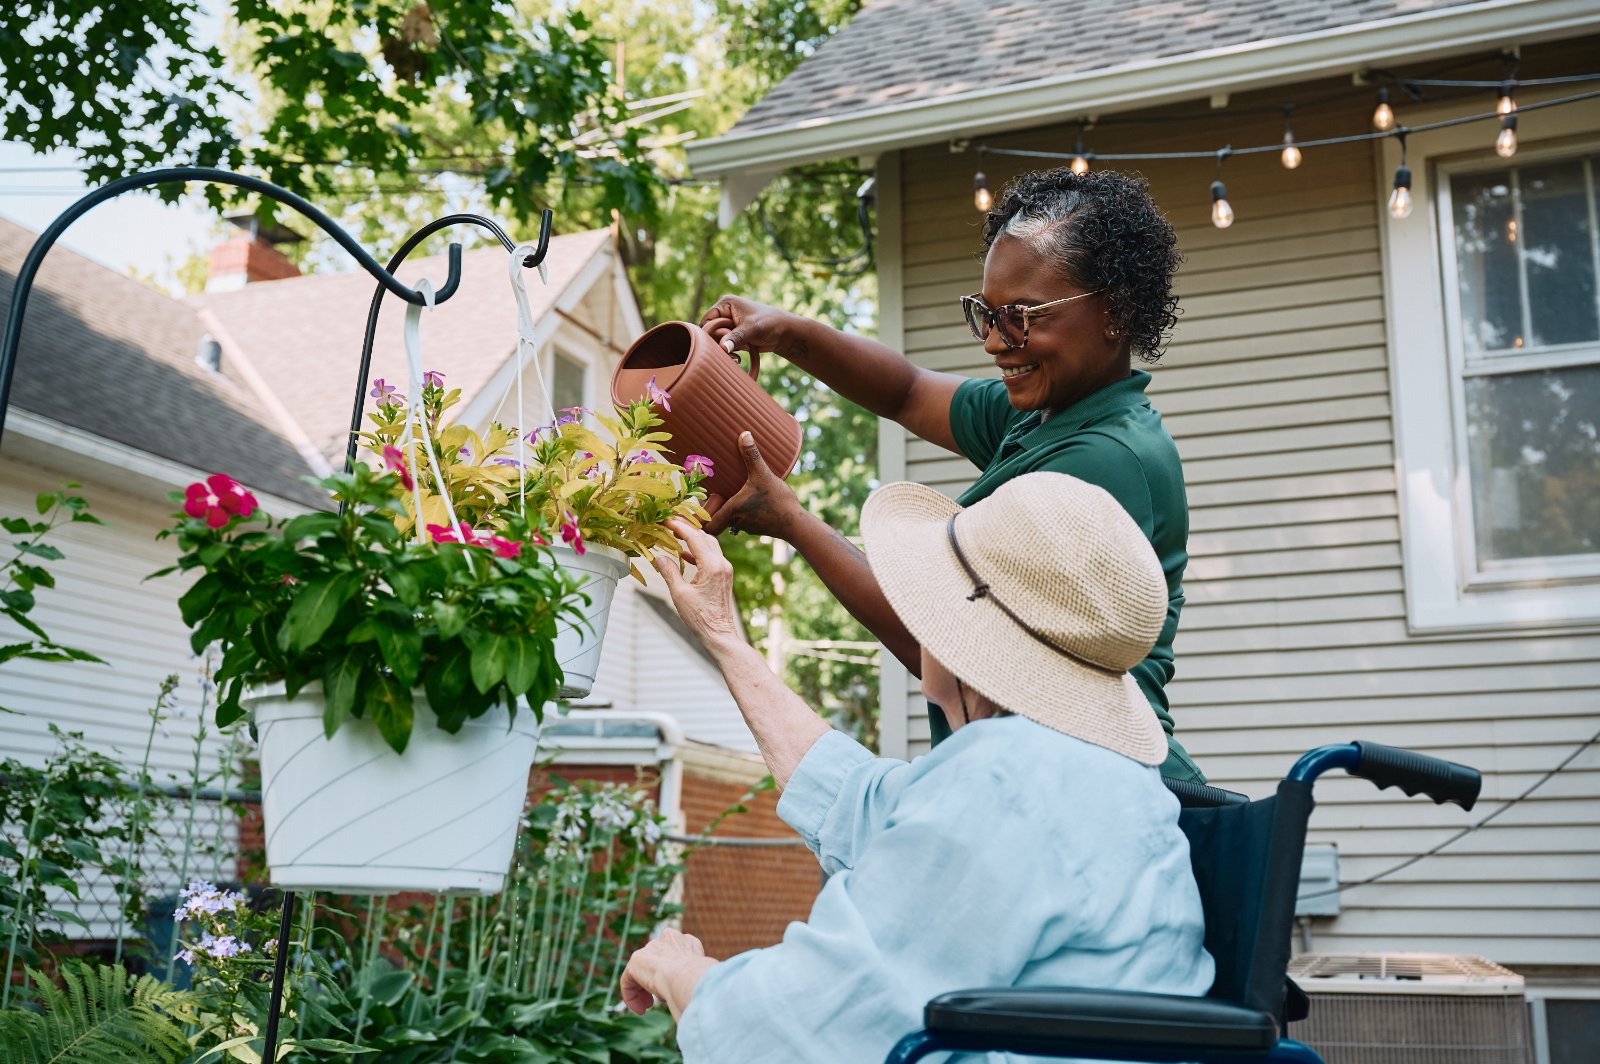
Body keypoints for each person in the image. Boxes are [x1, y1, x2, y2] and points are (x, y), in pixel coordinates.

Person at [621, 471, 1214, 1062]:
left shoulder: (1008, 781)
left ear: (960, 635)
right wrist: (724, 636)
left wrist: (679, 971)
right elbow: (857, 799)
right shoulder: (1081, 766)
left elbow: (808, 1022)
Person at [698, 167, 1204, 782]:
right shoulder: (1047, 416)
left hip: (1094, 787)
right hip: (1035, 773)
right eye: (985, 314)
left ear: (1116, 311)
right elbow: (908, 392)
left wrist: (792, 521)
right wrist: (789, 332)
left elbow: (945, 642)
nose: (995, 342)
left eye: (1023, 315)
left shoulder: (1105, 458)